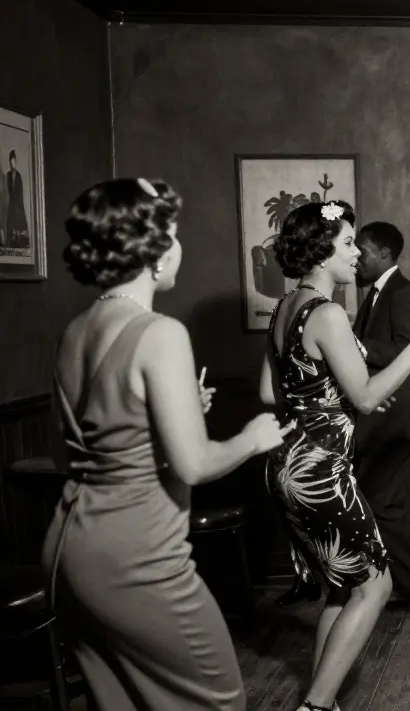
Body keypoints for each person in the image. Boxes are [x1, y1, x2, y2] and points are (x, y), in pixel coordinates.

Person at [42, 178, 291, 710]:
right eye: (172, 234)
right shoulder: (159, 332)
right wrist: (251, 437)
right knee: (219, 700)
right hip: (136, 554)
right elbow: (196, 465)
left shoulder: (75, 331)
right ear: (151, 252)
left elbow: (74, 455)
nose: (178, 246)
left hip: (68, 548)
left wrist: (162, 422)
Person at [258, 201, 410, 711]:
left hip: (285, 465)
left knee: (343, 589)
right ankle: (317, 707)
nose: (354, 254)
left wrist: (336, 399)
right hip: (322, 472)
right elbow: (366, 397)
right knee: (376, 586)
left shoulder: (286, 307)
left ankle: (325, 700)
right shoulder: (326, 312)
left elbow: (267, 390)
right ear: (322, 252)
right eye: (347, 243)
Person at [352, 221, 410, 610]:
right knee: (383, 503)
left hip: (397, 421)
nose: (357, 259)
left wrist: (355, 346)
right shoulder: (375, 294)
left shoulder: (403, 293)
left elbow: (408, 352)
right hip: (383, 417)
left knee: (379, 503)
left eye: (364, 252)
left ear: (385, 254)